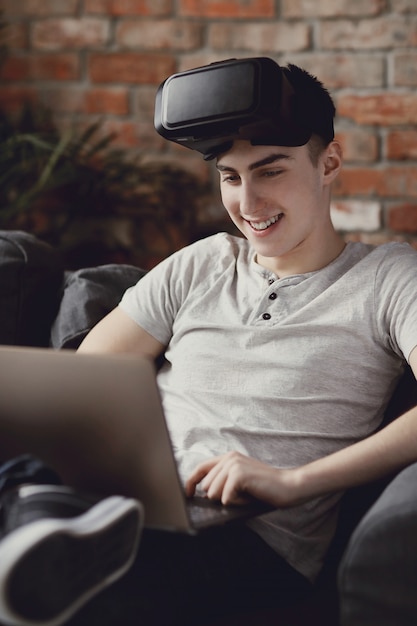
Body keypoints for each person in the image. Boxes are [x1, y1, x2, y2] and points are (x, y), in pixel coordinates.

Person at [1, 56, 417, 626]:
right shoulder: (204, 261)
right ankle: (43, 524)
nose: (248, 204)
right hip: (121, 506)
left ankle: (40, 534)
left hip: (246, 547)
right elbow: (81, 385)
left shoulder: (389, 277)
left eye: (270, 171)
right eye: (230, 176)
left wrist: (292, 482)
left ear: (330, 163)